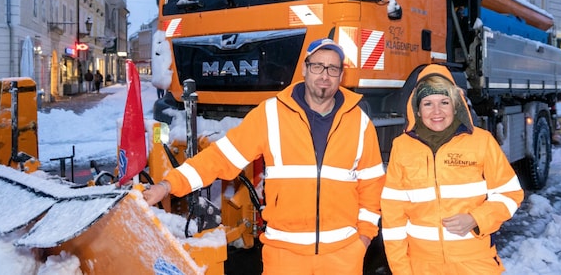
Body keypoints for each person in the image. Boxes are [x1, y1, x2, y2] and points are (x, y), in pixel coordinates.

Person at [143, 38, 385, 274]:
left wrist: (363, 239)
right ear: (304, 69)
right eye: (318, 66)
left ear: (341, 75)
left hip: (342, 258)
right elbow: (220, 157)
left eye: (333, 68)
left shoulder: (360, 123)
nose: (325, 75)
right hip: (284, 257)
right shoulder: (271, 114)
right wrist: (168, 185)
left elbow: (372, 187)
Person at [380, 64, 524, 275]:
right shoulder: (402, 147)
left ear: (455, 105)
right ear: (417, 109)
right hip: (422, 265)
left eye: (444, 102)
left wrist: (477, 218)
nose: (436, 111)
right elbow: (393, 217)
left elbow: (510, 194)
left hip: (474, 262)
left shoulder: (482, 142)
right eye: (428, 103)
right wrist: (401, 270)